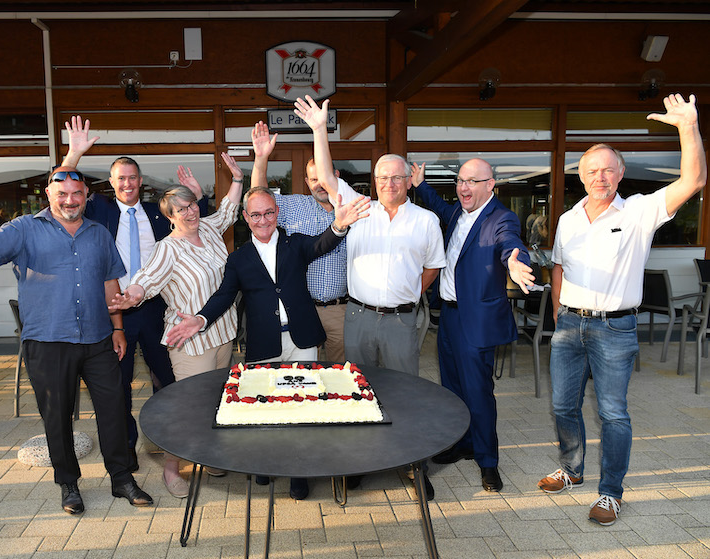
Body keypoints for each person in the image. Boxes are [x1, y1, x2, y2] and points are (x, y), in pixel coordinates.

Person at [0, 166, 152, 515]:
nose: (70, 200)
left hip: (98, 339)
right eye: (62, 194)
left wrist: (118, 328)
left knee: (114, 410)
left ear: (86, 197)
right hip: (47, 340)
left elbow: (111, 283)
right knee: (57, 416)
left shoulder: (98, 233)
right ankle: (68, 484)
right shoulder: (25, 228)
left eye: (77, 194)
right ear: (49, 195)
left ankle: (121, 478)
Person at [538, 94, 706, 526]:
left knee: (613, 412)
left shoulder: (638, 212)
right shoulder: (569, 218)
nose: (601, 176)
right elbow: (558, 265)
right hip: (569, 325)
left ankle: (610, 492)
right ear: (581, 175)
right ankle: (573, 470)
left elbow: (693, 181)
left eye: (609, 169)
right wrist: (559, 311)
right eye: (592, 170)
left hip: (615, 330)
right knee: (562, 406)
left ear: (621, 173)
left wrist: (687, 126)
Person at [164, 186, 370, 499]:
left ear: (277, 213)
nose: (263, 220)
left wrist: (339, 225)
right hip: (264, 343)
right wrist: (200, 319)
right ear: (246, 218)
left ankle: (298, 472)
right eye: (256, 214)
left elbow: (322, 244)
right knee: (264, 407)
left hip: (302, 339)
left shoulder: (295, 242)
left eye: (269, 213)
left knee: (303, 404)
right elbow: (224, 295)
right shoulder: (239, 258)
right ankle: (265, 463)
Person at [297, 95, 446, 498]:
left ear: (408, 180)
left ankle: (412, 465)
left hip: (401, 320)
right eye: (382, 178)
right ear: (374, 181)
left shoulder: (427, 221)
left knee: (404, 390)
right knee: (356, 390)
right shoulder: (358, 207)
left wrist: (408, 296)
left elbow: (433, 266)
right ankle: (360, 461)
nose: (389, 184)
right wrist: (318, 130)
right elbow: (326, 175)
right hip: (359, 317)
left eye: (397, 177)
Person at [61, 116, 208, 470]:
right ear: (111, 183)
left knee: (168, 380)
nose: (127, 184)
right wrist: (74, 154)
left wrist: (198, 196)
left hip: (156, 309)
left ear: (140, 182)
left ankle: (169, 441)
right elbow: (61, 190)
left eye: (132, 178)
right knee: (118, 385)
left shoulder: (158, 216)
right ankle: (126, 447)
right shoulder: (96, 210)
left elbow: (196, 222)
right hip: (114, 313)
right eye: (120, 178)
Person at [107, 153, 244, 498]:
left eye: (192, 204)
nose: (190, 212)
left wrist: (239, 178)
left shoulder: (210, 229)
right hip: (190, 340)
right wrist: (130, 296)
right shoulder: (167, 248)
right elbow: (146, 279)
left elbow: (228, 209)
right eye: (181, 209)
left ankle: (208, 455)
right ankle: (172, 468)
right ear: (169, 216)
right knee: (188, 408)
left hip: (223, 332)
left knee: (216, 399)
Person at [411, 158, 535, 493]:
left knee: (478, 392)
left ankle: (488, 461)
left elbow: (511, 244)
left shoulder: (501, 218)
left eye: (472, 181)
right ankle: (462, 443)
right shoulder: (456, 213)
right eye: (460, 181)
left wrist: (515, 261)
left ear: (490, 185)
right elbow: (437, 205)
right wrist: (421, 185)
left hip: (476, 321)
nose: (464, 188)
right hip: (449, 316)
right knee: (452, 387)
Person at [250, 121, 349, 362]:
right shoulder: (295, 206)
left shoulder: (353, 210)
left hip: (341, 311)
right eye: (313, 179)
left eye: (323, 178)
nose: (318, 184)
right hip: (301, 308)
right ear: (306, 182)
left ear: (335, 176)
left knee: (340, 374)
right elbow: (259, 198)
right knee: (303, 375)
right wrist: (261, 158)